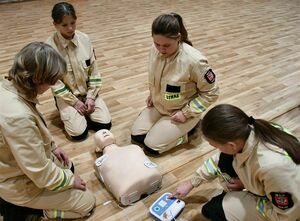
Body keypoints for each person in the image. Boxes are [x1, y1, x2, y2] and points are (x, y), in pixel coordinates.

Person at [0, 42, 96, 220]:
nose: (50, 87)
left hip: (15, 167)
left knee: (68, 166)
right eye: (51, 82)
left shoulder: (9, 86)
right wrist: (69, 181)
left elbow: (35, 128)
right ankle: (35, 212)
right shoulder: (17, 117)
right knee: (87, 203)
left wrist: (52, 146)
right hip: (18, 184)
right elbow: (39, 172)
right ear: (37, 78)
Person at [170, 104, 300, 221]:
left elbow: (286, 216)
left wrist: (250, 189)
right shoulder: (250, 129)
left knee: (214, 209)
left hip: (285, 212)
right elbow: (218, 160)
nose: (217, 150)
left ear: (231, 145)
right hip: (280, 185)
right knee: (225, 161)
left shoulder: (272, 167)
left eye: (216, 146)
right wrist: (192, 182)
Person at [131, 13, 219, 155]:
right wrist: (152, 94)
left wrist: (186, 113)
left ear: (178, 38)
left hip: (181, 111)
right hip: (159, 105)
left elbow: (212, 92)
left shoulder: (194, 61)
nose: (161, 49)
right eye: (157, 44)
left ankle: (188, 132)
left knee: (152, 147)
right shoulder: (154, 50)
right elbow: (155, 78)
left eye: (166, 45)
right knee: (137, 136)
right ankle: (165, 129)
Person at [46, 2, 111, 141]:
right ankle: (66, 110)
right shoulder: (49, 48)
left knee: (105, 124)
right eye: (64, 25)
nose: (70, 28)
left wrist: (91, 97)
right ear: (55, 24)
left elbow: (94, 71)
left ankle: (85, 112)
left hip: (87, 93)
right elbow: (54, 82)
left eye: (73, 23)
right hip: (68, 97)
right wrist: (74, 102)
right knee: (78, 134)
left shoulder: (85, 39)